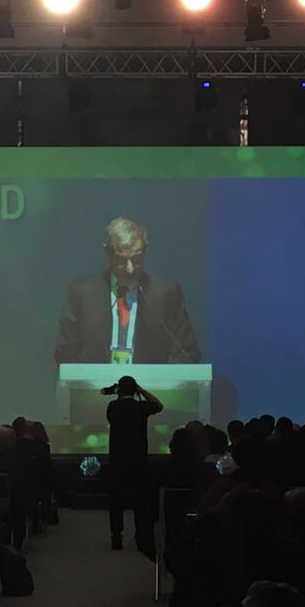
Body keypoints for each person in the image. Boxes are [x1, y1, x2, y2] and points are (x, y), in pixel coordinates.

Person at [55, 217, 201, 365]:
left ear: (145, 251)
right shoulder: (82, 294)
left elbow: (187, 354)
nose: (130, 269)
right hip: (96, 380)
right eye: (121, 260)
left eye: (137, 259)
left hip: (149, 380)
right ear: (107, 252)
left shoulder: (166, 294)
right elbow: (65, 354)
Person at [105, 374, 163, 557]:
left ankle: (116, 537)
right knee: (140, 501)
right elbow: (158, 404)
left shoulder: (113, 406)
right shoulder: (141, 407)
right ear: (134, 389)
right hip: (138, 461)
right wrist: (141, 390)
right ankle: (141, 537)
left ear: (119, 390)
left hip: (117, 460)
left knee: (116, 500)